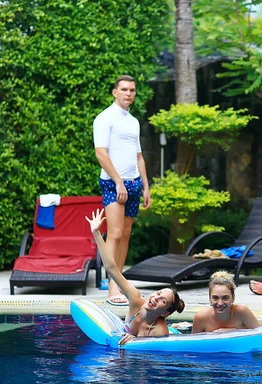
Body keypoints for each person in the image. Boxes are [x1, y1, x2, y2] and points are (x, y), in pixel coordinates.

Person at [86, 209, 185, 346]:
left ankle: (177, 327)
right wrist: (96, 233)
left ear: (165, 313)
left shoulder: (160, 332)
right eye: (158, 293)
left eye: (163, 301)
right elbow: (111, 268)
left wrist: (136, 340)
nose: (156, 298)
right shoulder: (136, 299)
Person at [93, 75, 151, 306]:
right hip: (112, 183)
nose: (129, 94)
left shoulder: (133, 121)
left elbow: (138, 156)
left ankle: (121, 282)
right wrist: (118, 181)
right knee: (114, 233)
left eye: (132, 90)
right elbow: (101, 153)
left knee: (126, 234)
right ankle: (112, 287)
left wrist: (146, 186)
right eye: (124, 89)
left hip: (134, 183)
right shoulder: (105, 118)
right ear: (114, 92)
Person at [192, 271, 260, 333]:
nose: (220, 303)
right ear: (210, 299)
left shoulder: (242, 312)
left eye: (225, 298)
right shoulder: (201, 317)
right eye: (215, 298)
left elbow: (261, 336)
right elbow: (192, 344)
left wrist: (232, 331)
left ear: (233, 298)